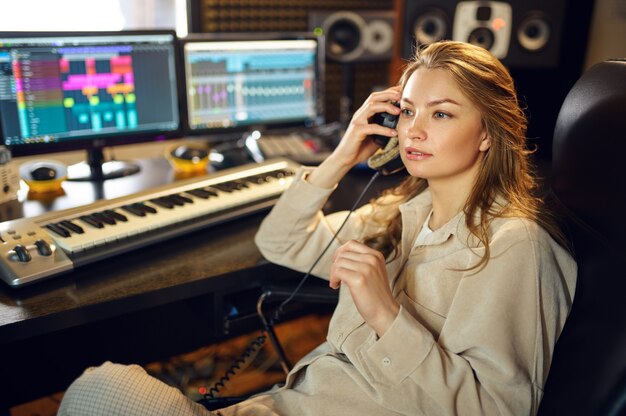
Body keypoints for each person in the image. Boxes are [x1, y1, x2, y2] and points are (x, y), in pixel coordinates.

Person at [58, 40, 576, 416]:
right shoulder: (398, 214)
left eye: (441, 115)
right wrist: (344, 151)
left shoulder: (514, 245)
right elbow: (279, 241)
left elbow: (496, 409)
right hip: (289, 405)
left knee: (100, 391)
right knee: (101, 387)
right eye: (409, 110)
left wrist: (385, 312)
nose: (413, 129)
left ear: (488, 133)